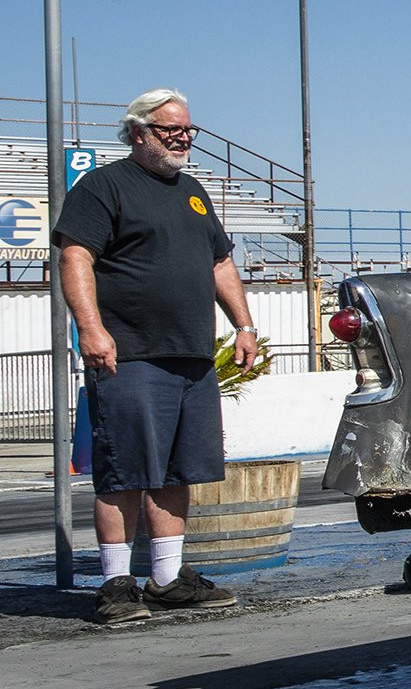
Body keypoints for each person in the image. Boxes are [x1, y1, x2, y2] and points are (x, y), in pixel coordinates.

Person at [53, 89, 260, 624]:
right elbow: (75, 255)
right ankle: (116, 586)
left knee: (176, 470)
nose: (183, 138)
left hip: (191, 355)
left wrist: (245, 324)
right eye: (171, 129)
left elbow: (220, 264)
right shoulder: (104, 187)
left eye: (188, 129)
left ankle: (167, 581)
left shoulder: (193, 193)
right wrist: (91, 329)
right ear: (139, 131)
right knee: (124, 470)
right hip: (130, 354)